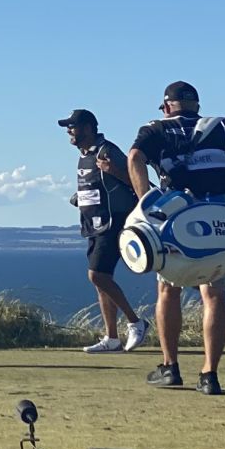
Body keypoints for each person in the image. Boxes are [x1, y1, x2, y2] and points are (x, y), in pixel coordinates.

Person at [123, 82, 225, 395]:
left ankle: (170, 367)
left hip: (177, 220)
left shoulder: (155, 129)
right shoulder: (222, 128)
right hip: (218, 220)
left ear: (166, 106)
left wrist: (144, 205)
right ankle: (209, 375)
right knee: (214, 294)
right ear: (197, 106)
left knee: (167, 290)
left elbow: (134, 156)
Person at [58, 109, 149, 353]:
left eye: (73, 126)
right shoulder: (83, 156)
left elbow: (140, 183)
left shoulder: (107, 151)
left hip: (114, 222)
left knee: (97, 275)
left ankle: (136, 322)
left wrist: (115, 171)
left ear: (88, 128)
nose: (69, 131)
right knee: (101, 281)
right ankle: (112, 338)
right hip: (93, 225)